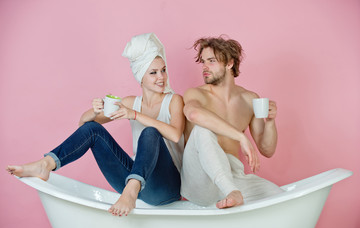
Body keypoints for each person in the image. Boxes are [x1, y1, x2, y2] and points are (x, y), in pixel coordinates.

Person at [6, 33, 185, 216]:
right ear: (140, 76)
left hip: (166, 188)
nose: (161, 77)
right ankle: (46, 164)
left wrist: (135, 115)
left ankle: (131, 190)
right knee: (93, 130)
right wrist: (96, 110)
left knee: (150, 133)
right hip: (136, 183)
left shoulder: (173, 100)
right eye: (153, 72)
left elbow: (175, 134)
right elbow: (84, 125)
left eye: (163, 70)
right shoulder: (131, 102)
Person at [180, 36, 283, 209]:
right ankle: (232, 191)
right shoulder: (196, 94)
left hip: (233, 175)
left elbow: (267, 150)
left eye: (211, 61)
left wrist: (271, 121)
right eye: (203, 62)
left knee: (278, 197)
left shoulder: (249, 99)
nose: (204, 67)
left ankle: (232, 191)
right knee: (203, 130)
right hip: (199, 178)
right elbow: (193, 114)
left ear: (229, 63)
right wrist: (240, 137)